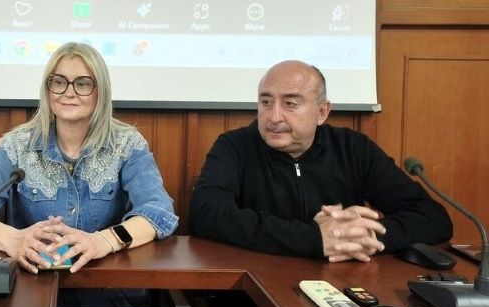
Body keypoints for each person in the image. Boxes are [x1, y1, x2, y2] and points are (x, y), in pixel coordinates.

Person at [0, 42, 178, 277]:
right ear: (48, 89)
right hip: (33, 284)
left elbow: (158, 212)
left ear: (101, 91)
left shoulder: (127, 144)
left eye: (82, 83)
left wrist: (104, 240)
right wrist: (13, 239)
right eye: (59, 82)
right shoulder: (17, 146)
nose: (68, 92)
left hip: (107, 286)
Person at [189, 60, 452, 262]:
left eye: (290, 104)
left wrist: (362, 236)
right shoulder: (234, 146)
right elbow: (206, 213)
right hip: (260, 278)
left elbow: (432, 217)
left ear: (322, 112)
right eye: (266, 102)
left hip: (341, 282)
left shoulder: (353, 148)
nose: (274, 117)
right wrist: (314, 239)